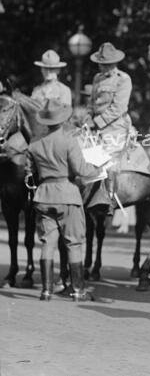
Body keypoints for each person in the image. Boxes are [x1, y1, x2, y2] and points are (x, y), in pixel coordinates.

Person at [25, 99, 102, 301]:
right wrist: (100, 168)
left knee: (48, 243)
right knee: (74, 243)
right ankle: (78, 291)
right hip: (67, 195)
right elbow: (81, 170)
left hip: (43, 196)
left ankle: (46, 290)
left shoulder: (33, 144)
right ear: (62, 119)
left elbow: (30, 172)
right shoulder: (69, 140)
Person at [86, 42, 132, 154]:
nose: (105, 67)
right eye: (102, 64)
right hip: (94, 126)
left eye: (109, 64)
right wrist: (88, 116)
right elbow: (92, 101)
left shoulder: (123, 79)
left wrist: (97, 122)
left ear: (115, 63)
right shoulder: (97, 78)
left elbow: (118, 108)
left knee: (108, 160)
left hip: (115, 127)